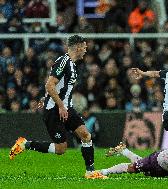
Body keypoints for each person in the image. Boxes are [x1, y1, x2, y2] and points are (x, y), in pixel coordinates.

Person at [9, 35, 107, 179]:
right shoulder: (63, 61)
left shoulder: (73, 65)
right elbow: (49, 84)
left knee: (86, 135)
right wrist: (60, 105)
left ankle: (90, 172)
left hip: (67, 107)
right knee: (61, 149)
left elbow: (56, 86)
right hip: (55, 110)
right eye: (84, 46)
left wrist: (47, 97)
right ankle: (25, 144)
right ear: (78, 46)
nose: (86, 49)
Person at [102, 126, 168, 179]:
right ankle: (104, 171)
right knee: (132, 169)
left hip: (167, 172)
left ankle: (123, 150)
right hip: (156, 160)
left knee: (142, 168)